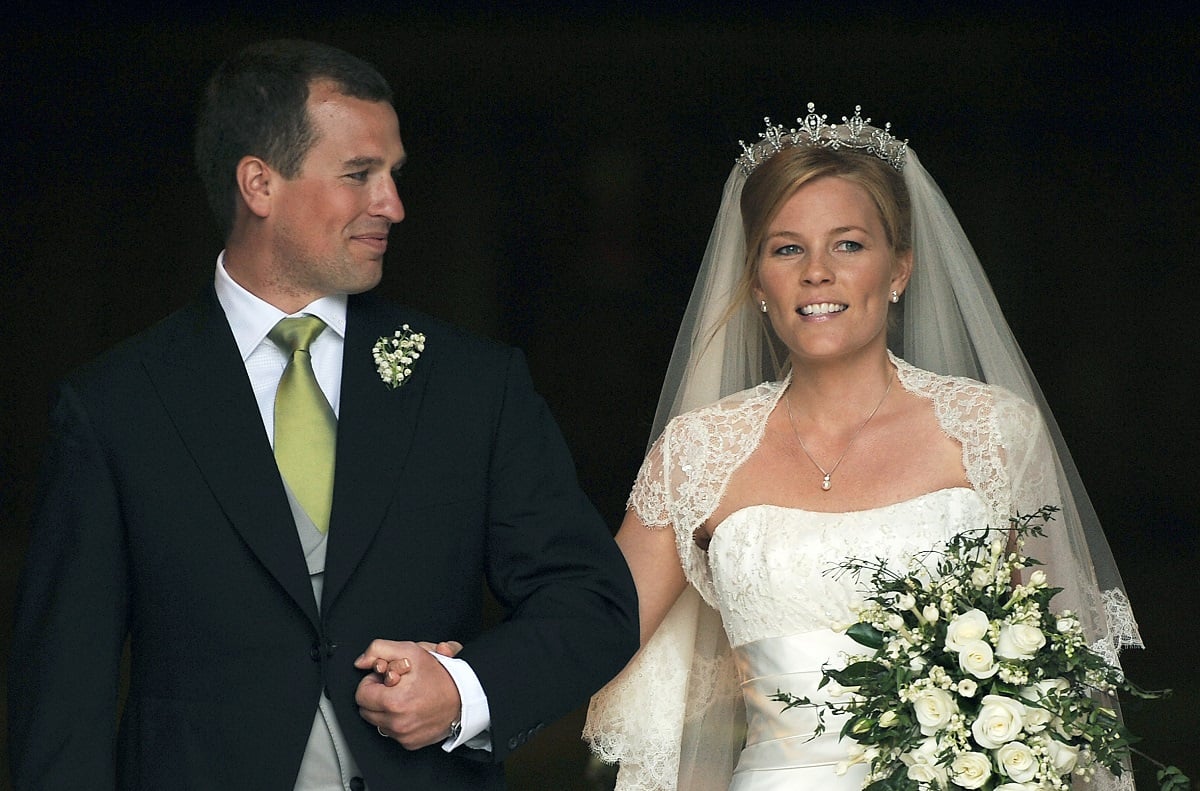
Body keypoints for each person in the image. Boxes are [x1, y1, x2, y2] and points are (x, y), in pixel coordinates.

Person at [8, 39, 638, 791]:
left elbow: (592, 600)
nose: (393, 205)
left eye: (394, 175)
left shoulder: (473, 384)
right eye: (360, 175)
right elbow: (63, 707)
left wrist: (465, 693)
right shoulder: (114, 408)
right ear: (259, 184)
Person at [583, 106, 1142, 790]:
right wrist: (455, 683)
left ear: (900, 267)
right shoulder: (698, 451)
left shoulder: (992, 432)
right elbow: (585, 635)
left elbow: (1063, 675)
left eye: (848, 244)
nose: (817, 272)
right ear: (757, 280)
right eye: (786, 248)